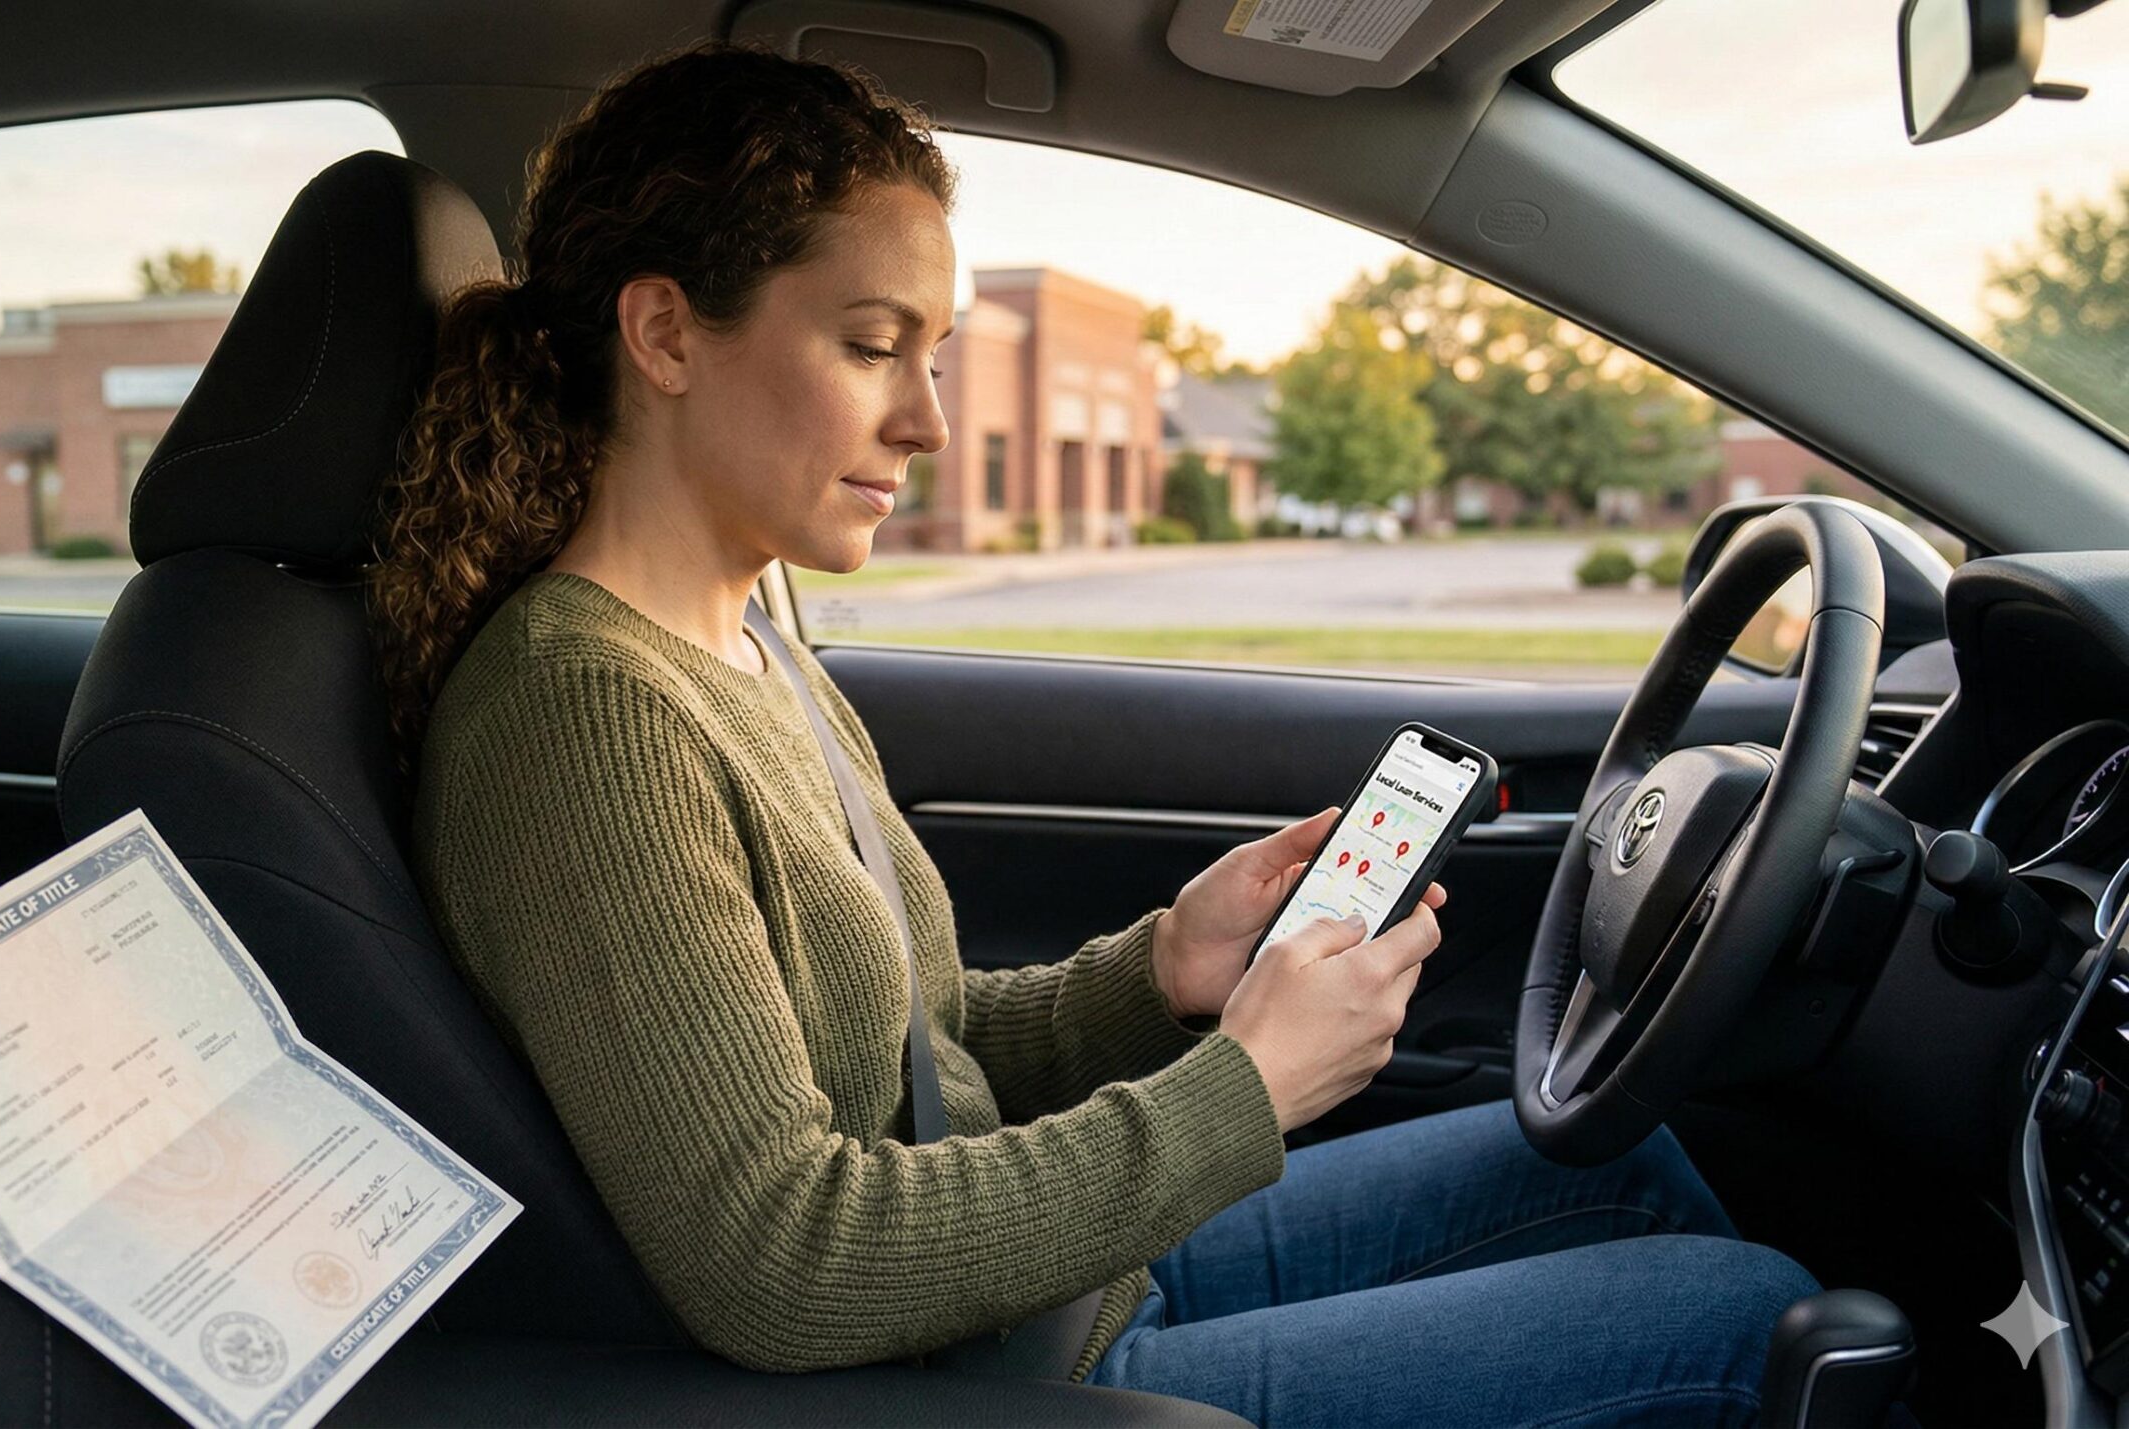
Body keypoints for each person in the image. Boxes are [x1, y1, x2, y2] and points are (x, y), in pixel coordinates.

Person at [369, 39, 1820, 1427]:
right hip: (968, 1385)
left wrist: (1162, 970)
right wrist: (1243, 1086)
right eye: (874, 346)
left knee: (1625, 1157)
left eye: (934, 353)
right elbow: (784, 1259)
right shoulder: (582, 716)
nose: (929, 423)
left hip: (1038, 1299)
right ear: (668, 331)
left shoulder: (748, 642)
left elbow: (917, 1047)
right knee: (1745, 1319)